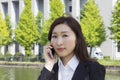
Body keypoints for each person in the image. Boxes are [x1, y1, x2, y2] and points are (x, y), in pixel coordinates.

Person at [38, 16, 105, 80]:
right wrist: (49, 64)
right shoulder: (50, 70)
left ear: (77, 39)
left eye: (65, 35)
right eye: (55, 36)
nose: (59, 42)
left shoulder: (94, 69)